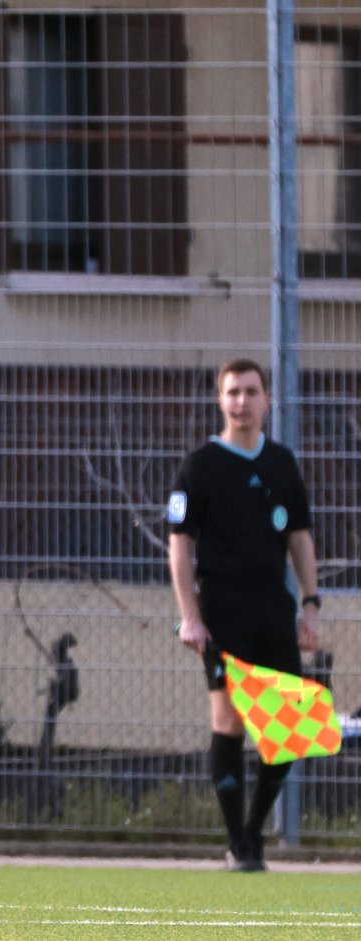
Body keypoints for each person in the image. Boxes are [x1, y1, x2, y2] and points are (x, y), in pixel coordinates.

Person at [167, 357, 321, 872]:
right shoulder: (200, 465)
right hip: (222, 611)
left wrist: (311, 604)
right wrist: (190, 616)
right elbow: (179, 547)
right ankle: (240, 844)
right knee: (230, 719)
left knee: (287, 727)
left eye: (251, 392)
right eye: (233, 392)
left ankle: (253, 832)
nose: (242, 401)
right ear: (220, 400)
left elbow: (299, 538)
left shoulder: (281, 462)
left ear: (267, 400)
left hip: (274, 610)